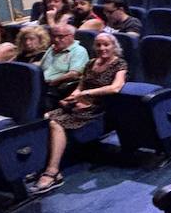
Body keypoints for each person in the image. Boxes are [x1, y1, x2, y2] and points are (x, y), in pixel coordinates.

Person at [34, 33, 127, 195]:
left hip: (98, 109)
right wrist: (71, 97)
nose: (102, 48)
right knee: (45, 118)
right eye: (98, 45)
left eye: (106, 45)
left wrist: (87, 94)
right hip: (79, 105)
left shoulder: (119, 64)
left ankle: (53, 171)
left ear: (114, 46)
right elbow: (80, 86)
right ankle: (39, 163)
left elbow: (115, 88)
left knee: (55, 124)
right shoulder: (91, 63)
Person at [40, 23, 90, 103]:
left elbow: (74, 74)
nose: (56, 39)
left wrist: (53, 82)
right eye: (53, 36)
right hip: (41, 84)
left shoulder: (79, 51)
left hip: (55, 89)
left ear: (71, 36)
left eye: (60, 36)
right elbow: (41, 65)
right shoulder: (52, 48)